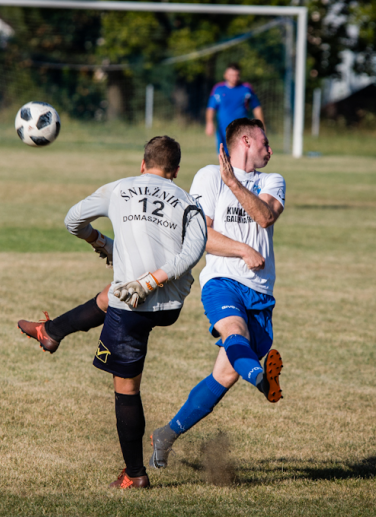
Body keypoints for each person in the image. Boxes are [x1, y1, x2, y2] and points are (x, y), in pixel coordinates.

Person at [34, 136, 207, 489]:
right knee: (111, 291)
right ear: (174, 171)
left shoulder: (120, 188)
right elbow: (192, 253)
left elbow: (72, 221)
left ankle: (135, 474)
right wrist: (142, 271)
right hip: (170, 304)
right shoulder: (189, 203)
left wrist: (98, 241)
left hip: (135, 305)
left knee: (126, 388)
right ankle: (51, 332)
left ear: (142, 164)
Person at [148, 118, 285, 470]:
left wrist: (235, 184)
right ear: (245, 140)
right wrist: (242, 250)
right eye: (264, 143)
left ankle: (166, 434)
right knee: (234, 332)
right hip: (221, 282)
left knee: (225, 375)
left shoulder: (272, 181)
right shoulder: (209, 176)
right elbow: (201, 237)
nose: (270, 150)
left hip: (261, 294)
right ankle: (262, 378)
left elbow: (266, 216)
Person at [206, 63, 265, 155]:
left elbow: (256, 107)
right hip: (223, 129)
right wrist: (209, 123)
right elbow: (211, 108)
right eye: (231, 75)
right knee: (224, 156)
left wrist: (261, 124)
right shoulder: (218, 89)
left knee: (242, 155)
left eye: (236, 75)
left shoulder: (246, 88)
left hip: (242, 129)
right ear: (225, 75)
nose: (234, 78)